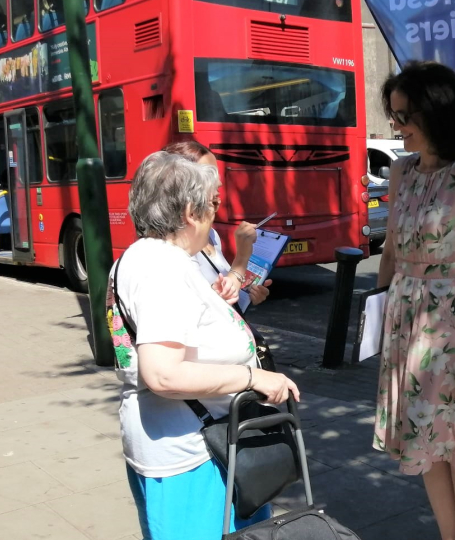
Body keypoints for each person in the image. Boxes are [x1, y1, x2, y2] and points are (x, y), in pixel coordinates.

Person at [108, 151, 299, 540]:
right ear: (191, 211)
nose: (216, 214)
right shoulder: (164, 269)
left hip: (188, 442)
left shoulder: (146, 257)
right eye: (212, 204)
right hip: (192, 453)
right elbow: (163, 373)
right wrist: (253, 377)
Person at [374, 61, 455, 540]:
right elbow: (389, 250)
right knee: (424, 442)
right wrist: (375, 312)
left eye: (404, 116)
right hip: (405, 322)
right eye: (394, 115)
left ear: (436, 115)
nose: (396, 126)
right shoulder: (401, 172)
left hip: (451, 326)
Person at [162, 141, 272, 308]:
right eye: (209, 175)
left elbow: (226, 297)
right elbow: (207, 311)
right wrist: (241, 259)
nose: (219, 184)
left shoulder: (211, 235)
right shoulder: (173, 248)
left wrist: (247, 295)